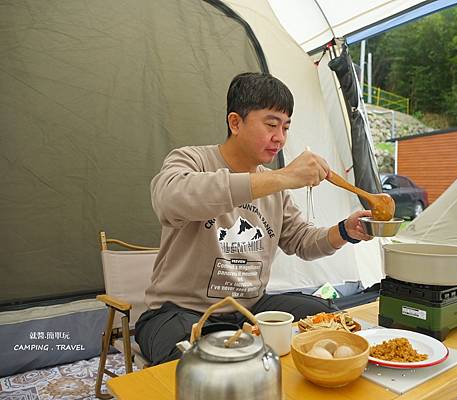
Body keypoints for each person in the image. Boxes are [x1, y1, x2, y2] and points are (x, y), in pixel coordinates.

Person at [135, 72, 373, 365]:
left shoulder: (274, 184)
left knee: (329, 320)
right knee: (195, 362)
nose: (280, 138)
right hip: (180, 311)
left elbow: (302, 241)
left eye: (286, 127)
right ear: (235, 122)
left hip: (251, 309)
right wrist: (284, 177)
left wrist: (345, 230)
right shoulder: (191, 160)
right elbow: (169, 199)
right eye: (271, 124)